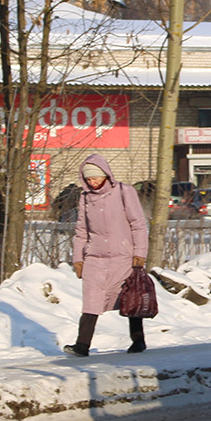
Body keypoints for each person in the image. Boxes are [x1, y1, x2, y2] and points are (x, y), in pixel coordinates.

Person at [65, 153, 149, 357]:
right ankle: (82, 345)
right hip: (95, 257)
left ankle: (138, 341)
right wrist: (78, 258)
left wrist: (140, 253)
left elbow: (137, 224)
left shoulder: (124, 191)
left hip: (123, 256)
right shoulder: (85, 198)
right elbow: (81, 230)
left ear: (105, 175)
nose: (91, 182)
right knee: (91, 300)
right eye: (88, 179)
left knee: (130, 298)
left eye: (95, 178)